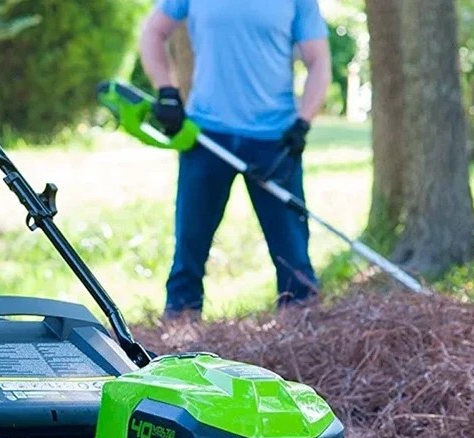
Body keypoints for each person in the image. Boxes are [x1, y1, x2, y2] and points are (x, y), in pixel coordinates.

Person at [138, 0, 332, 317]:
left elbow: (319, 61)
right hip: (206, 137)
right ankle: (177, 336)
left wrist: (303, 122)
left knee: (294, 258)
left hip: (275, 142)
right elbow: (153, 33)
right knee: (189, 250)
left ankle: (303, 335)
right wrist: (167, 91)